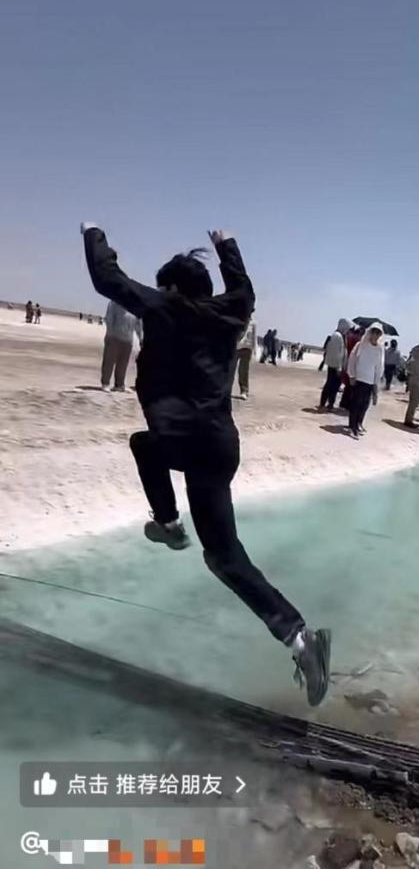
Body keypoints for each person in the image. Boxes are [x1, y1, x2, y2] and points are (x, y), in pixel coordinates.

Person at [81, 222, 330, 706]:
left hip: (181, 440)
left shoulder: (165, 306)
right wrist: (227, 246)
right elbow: (244, 288)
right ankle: (301, 639)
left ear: (173, 287)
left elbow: (108, 280)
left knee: (144, 444)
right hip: (219, 447)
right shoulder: (231, 312)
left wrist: (94, 233)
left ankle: (169, 524)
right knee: (224, 556)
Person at [346, 323, 384, 437]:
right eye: (374, 332)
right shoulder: (361, 345)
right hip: (359, 378)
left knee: (365, 404)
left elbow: (379, 366)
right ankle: (352, 426)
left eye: (378, 333)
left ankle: (359, 423)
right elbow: (352, 359)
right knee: (355, 403)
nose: (375, 335)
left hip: (370, 380)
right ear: (370, 332)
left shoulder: (380, 349)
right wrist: (352, 375)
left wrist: (376, 382)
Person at [101, 299, 142, 392]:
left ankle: (119, 385)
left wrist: (140, 338)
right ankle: (105, 383)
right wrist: (111, 333)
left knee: (123, 364)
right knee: (109, 361)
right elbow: (109, 318)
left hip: (128, 340)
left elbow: (138, 325)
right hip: (113, 337)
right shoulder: (114, 303)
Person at [319, 319, 351, 410]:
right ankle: (323, 404)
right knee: (330, 385)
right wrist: (339, 367)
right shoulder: (337, 336)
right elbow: (336, 354)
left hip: (337, 366)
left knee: (334, 386)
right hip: (335, 366)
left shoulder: (341, 336)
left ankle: (330, 404)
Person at [235, 314, 256, 399]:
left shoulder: (253, 323)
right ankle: (226, 390)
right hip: (236, 347)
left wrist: (254, 350)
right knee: (230, 369)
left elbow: (254, 336)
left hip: (247, 348)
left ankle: (244, 390)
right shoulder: (238, 318)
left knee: (243, 370)